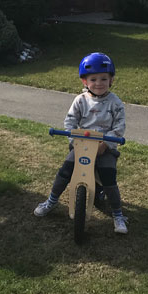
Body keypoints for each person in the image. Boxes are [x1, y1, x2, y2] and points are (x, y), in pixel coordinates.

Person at [33, 52, 128, 234]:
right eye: (93, 79)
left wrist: (106, 144)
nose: (98, 83)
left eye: (103, 79)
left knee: (109, 177)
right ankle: (51, 201)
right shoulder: (80, 100)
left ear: (111, 80)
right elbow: (70, 122)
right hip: (82, 145)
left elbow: (119, 126)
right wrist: (73, 140)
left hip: (104, 147)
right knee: (66, 170)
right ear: (85, 82)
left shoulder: (115, 103)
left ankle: (118, 214)